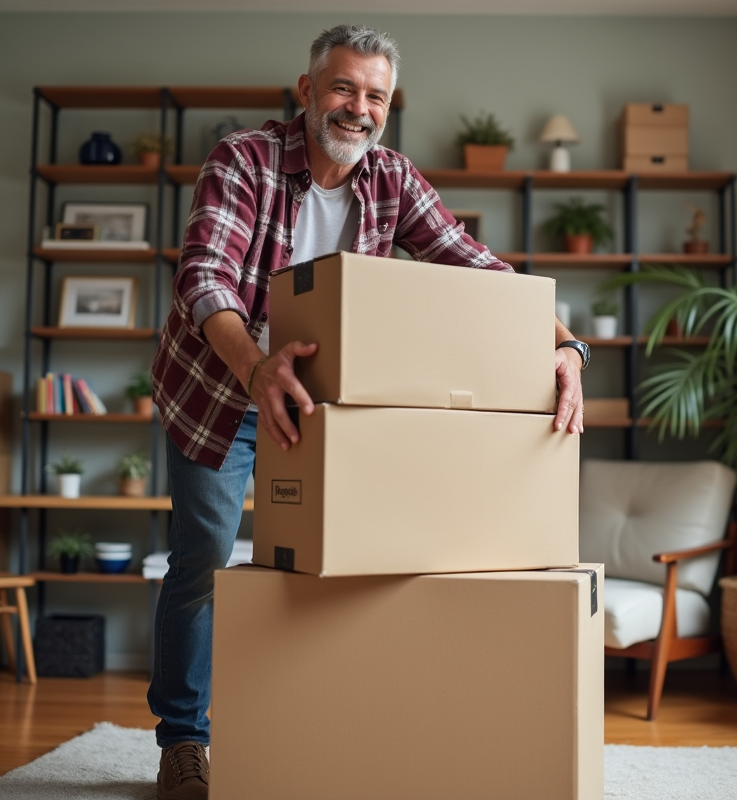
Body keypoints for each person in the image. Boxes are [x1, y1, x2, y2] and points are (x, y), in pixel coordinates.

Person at [147, 24, 589, 800]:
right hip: (222, 390)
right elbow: (205, 277)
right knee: (205, 561)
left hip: (326, 402)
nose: (359, 108)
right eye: (344, 88)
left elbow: (478, 269)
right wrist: (255, 369)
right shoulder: (243, 159)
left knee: (346, 560)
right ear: (307, 91)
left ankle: (317, 722)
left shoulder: (392, 178)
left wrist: (567, 346)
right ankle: (184, 740)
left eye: (376, 96)